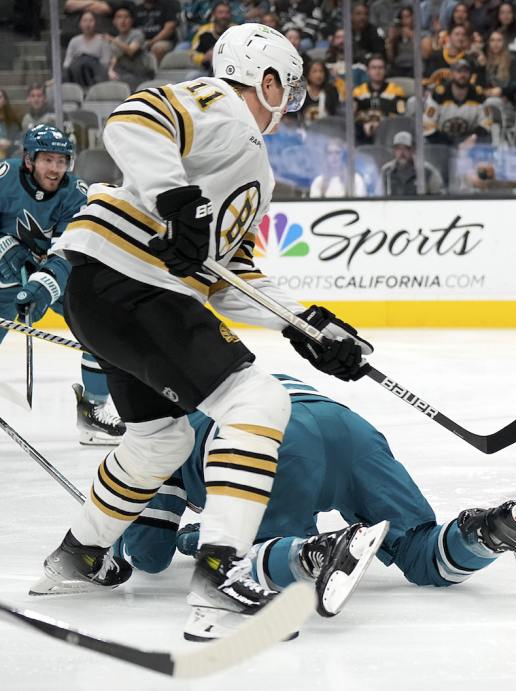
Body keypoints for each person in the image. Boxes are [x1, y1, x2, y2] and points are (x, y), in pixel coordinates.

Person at [35, 23, 370, 642]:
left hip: (107, 293)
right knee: (258, 402)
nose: (286, 106)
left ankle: (78, 556)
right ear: (266, 80)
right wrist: (176, 201)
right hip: (131, 280)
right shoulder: (222, 106)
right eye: (287, 90)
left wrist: (308, 326)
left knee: (159, 445)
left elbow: (228, 274)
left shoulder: (253, 173)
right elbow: (133, 119)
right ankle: (221, 577)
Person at [114, 374, 516, 615]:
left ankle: (316, 553)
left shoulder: (164, 439)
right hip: (348, 428)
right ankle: (488, 529)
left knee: (243, 567)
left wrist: (124, 528)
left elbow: (148, 554)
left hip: (275, 440)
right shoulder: (230, 380)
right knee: (423, 553)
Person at [0, 125, 126, 444]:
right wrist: (7, 247)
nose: (56, 169)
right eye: (48, 160)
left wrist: (43, 286)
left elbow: (70, 251)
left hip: (44, 274)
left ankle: (92, 413)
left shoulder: (76, 194)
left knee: (103, 323)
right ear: (29, 159)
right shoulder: (4, 177)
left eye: (62, 161)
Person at [424, 59, 494, 145]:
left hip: (469, 141)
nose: (462, 75)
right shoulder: (438, 95)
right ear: (452, 74)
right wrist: (452, 144)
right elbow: (427, 126)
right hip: (442, 142)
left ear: (470, 74)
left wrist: (473, 137)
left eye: (466, 72)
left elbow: (486, 123)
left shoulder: (478, 95)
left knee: (488, 138)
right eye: (459, 71)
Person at [353, 54, 407, 144]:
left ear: (385, 70)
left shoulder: (397, 91)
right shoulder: (358, 91)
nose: (377, 71)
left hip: (388, 133)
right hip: (363, 134)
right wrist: (366, 122)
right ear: (368, 71)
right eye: (374, 68)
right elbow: (353, 115)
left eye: (380, 68)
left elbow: (401, 113)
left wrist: (380, 122)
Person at [380, 131, 445, 196]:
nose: (402, 153)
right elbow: (379, 195)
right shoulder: (386, 171)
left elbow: (439, 197)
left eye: (406, 148)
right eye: (398, 149)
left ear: (413, 150)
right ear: (394, 151)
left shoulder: (427, 171)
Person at [107, 5, 155, 91]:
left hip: (141, 74)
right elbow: (115, 58)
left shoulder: (137, 34)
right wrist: (110, 71)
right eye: (119, 17)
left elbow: (131, 51)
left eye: (126, 17)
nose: (123, 21)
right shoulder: (116, 40)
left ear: (132, 21)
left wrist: (113, 40)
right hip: (125, 74)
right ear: (114, 21)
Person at [63, 11, 113, 88]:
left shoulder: (103, 40)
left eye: (90, 21)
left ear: (95, 23)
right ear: (80, 24)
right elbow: (67, 62)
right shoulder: (74, 40)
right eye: (85, 21)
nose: (87, 24)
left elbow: (105, 62)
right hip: (76, 72)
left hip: (95, 73)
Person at [190, 1, 234, 77]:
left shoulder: (235, 30)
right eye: (220, 12)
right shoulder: (203, 31)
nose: (224, 16)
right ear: (213, 14)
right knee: (192, 76)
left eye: (227, 13)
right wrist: (204, 57)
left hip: (231, 71)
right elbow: (193, 54)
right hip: (207, 71)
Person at [385, 5, 417, 78]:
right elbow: (390, 58)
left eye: (407, 16)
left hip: (414, 66)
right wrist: (391, 41)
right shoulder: (397, 35)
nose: (404, 20)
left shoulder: (421, 34)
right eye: (402, 18)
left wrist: (411, 35)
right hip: (398, 67)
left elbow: (425, 54)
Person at [0, 89, 21, 159]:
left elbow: (19, 142)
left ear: (5, 101)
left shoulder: (13, 121)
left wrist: (10, 144)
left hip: (9, 159)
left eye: (0, 97)